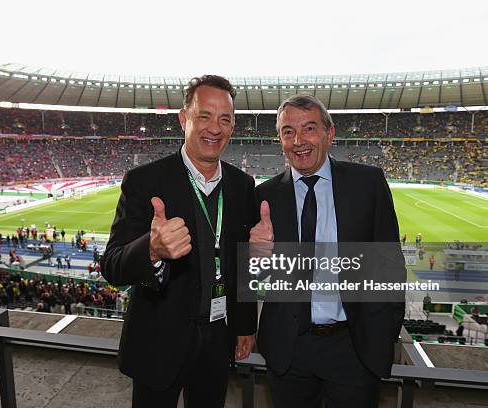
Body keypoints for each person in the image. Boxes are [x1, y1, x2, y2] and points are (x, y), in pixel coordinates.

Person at [101, 75, 257, 408]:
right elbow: (112, 265)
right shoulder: (145, 181)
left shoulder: (243, 185)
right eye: (204, 115)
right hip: (159, 342)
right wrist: (151, 250)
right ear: (184, 118)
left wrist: (245, 325)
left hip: (217, 341)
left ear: (232, 127)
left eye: (224, 119)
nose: (214, 127)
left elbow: (241, 264)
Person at [250, 95, 405, 408]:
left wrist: (382, 334)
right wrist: (256, 258)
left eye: (309, 129)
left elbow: (390, 266)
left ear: (329, 134)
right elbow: (255, 278)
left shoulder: (368, 184)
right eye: (288, 132)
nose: (298, 141)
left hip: (352, 346)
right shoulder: (263, 196)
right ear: (280, 139)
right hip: (288, 350)